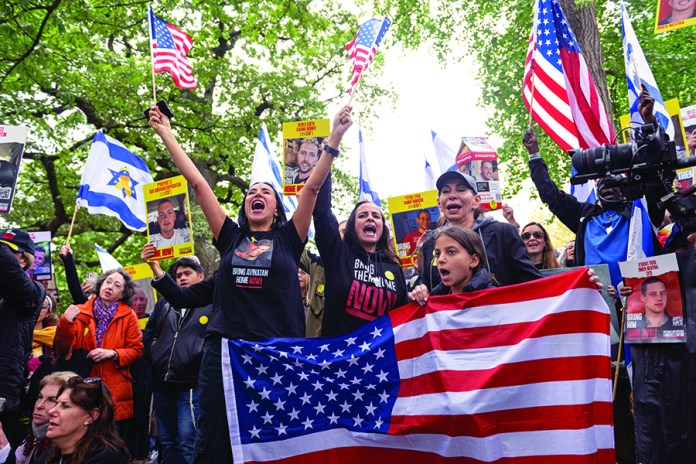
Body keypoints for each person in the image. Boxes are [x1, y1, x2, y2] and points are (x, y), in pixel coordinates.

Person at [147, 103, 353, 462]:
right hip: (224, 351)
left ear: (276, 208)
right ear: (245, 206)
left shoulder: (290, 239)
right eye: (251, 192)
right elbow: (197, 183)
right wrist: (165, 132)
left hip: (277, 348)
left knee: (277, 431)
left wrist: (334, 137)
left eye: (266, 192)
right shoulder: (229, 238)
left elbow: (312, 189)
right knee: (211, 434)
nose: (256, 194)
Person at [522, 127, 664, 288]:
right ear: (597, 191)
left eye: (613, 185)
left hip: (639, 295)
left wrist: (649, 124)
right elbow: (551, 195)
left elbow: (657, 188)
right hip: (596, 298)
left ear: (623, 188)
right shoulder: (583, 215)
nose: (608, 188)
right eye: (603, 185)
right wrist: (534, 154)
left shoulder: (638, 212)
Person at [314, 176, 407, 336]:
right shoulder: (338, 254)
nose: (370, 217)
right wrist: (327, 155)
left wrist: (420, 293)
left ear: (382, 229)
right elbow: (322, 211)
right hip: (340, 354)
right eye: (362, 215)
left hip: (379, 356)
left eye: (376, 216)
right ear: (352, 226)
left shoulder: (395, 268)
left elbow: (404, 317)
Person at [418, 172, 542, 290]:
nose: (452, 195)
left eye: (461, 189)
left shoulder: (503, 233)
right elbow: (427, 285)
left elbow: (533, 283)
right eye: (446, 191)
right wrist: (420, 290)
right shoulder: (430, 244)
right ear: (439, 203)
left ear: (476, 200)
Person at [141, 254, 211, 464]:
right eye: (178, 275)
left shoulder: (211, 303)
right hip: (162, 384)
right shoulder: (164, 304)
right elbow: (150, 333)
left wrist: (198, 354)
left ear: (201, 276)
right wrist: (153, 353)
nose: (181, 278)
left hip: (190, 385)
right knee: (167, 440)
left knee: (188, 439)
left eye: (187, 273)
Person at [53, 269, 144, 429]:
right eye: (108, 282)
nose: (110, 287)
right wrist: (66, 321)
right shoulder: (81, 311)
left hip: (115, 386)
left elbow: (136, 350)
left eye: (117, 285)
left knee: (113, 437)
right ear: (101, 284)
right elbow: (62, 347)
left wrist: (113, 353)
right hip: (84, 383)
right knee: (84, 432)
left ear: (122, 294)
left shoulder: (129, 315)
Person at [0, 229, 45, 450]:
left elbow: (11, 277)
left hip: (2, 387)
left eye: (8, 251)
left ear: (24, 260)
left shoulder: (33, 292)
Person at [45, 376, 129, 464]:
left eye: (65, 406)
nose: (51, 411)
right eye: (56, 403)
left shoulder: (106, 459)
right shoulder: (51, 454)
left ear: (91, 416)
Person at [409, 225, 495, 303]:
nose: (440, 260)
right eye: (437, 254)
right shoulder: (434, 301)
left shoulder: (496, 301)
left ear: (473, 260)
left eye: (451, 252)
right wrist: (418, 302)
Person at [15, 371, 76, 464]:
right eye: (40, 397)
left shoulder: (69, 449)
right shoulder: (30, 440)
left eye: (51, 400)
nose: (39, 405)